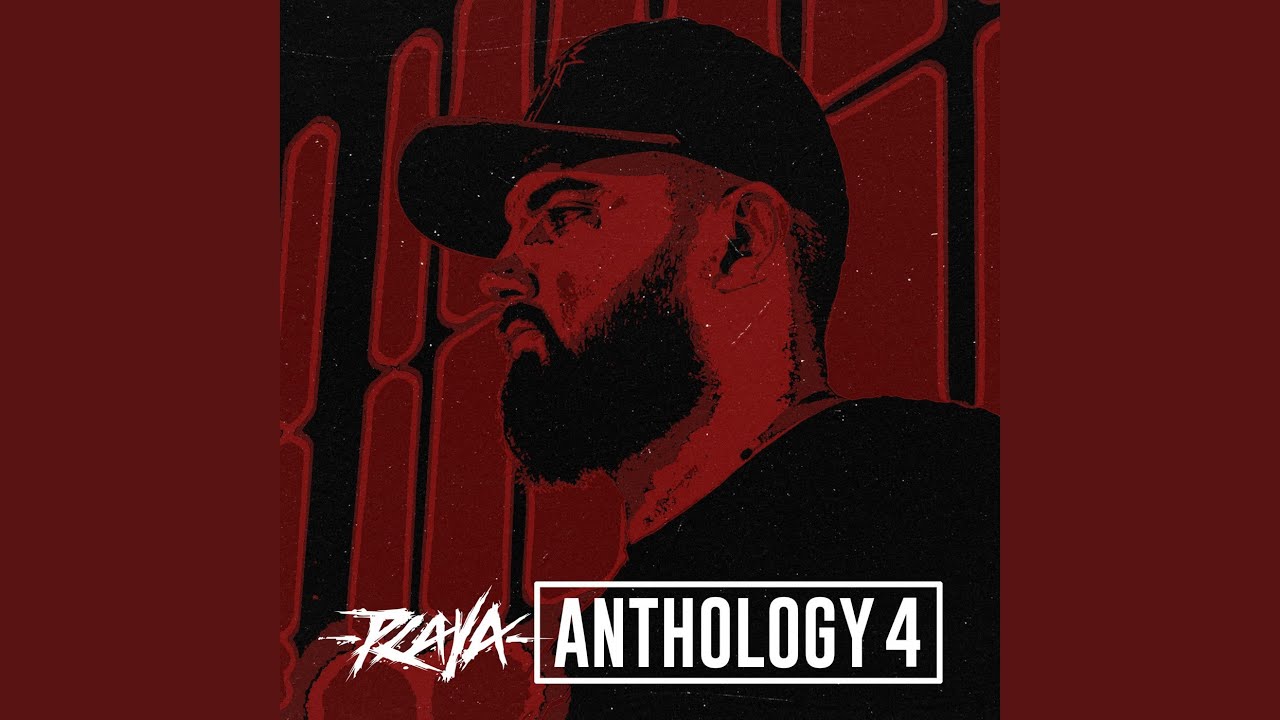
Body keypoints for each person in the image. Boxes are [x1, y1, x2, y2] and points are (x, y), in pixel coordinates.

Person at [398, 18, 997, 719]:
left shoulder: (961, 497)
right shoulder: (619, 633)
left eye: (563, 214)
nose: (499, 274)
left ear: (742, 240)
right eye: (512, 231)